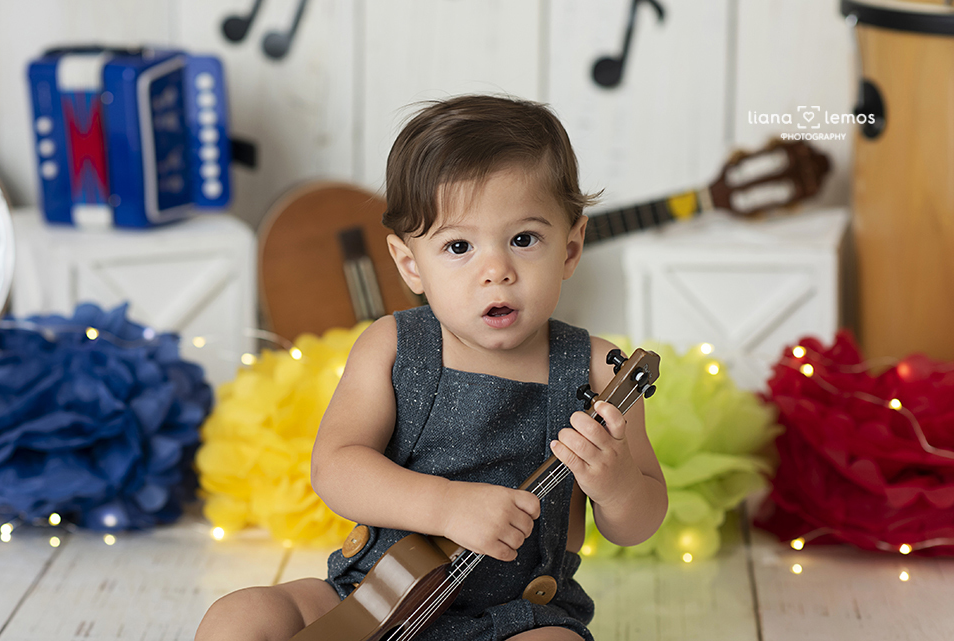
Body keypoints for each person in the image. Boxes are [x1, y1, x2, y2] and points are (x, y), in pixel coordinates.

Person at [195, 94, 668, 641]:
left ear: (569, 247)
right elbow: (336, 468)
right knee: (238, 617)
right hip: (373, 594)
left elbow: (641, 519)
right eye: (459, 246)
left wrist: (617, 485)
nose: (496, 271)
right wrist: (444, 506)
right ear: (408, 264)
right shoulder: (393, 346)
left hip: (518, 618)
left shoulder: (598, 371)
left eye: (523, 239)